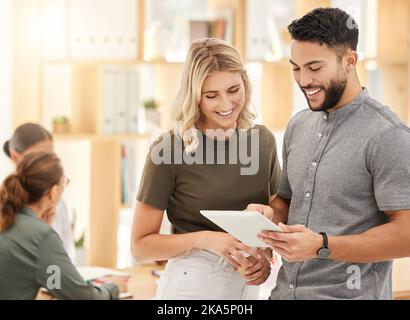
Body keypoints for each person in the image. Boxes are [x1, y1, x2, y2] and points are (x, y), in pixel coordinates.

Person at [248, 7, 410, 300]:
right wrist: (267, 217)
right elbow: (286, 200)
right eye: (296, 68)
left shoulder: (388, 135)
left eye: (314, 67)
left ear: (349, 61)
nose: (303, 80)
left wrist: (322, 245)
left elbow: (407, 235)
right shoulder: (298, 124)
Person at [131, 38, 281, 300]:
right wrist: (206, 240)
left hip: (246, 287)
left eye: (234, 90)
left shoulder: (263, 142)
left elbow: (278, 218)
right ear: (195, 96)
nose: (225, 104)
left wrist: (264, 254)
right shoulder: (169, 149)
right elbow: (140, 247)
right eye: (211, 95)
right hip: (191, 286)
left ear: (245, 82)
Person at [0, 151, 127, 299]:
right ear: (53, 192)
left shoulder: (11, 219)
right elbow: (84, 297)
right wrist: (113, 288)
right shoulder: (41, 236)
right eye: (64, 183)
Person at [3, 123, 76, 261]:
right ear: (15, 157)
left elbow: (68, 256)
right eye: (40, 156)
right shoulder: (5, 204)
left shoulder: (58, 203)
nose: (48, 164)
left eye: (50, 155)